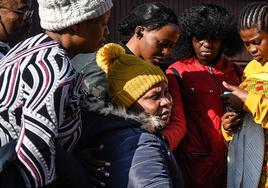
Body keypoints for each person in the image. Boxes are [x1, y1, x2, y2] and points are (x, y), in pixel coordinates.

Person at [0, 0, 113, 187]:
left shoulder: (32, 47)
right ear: (77, 25)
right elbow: (36, 146)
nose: (107, 32)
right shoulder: (53, 66)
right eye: (103, 24)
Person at [72, 2, 186, 151]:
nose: (166, 52)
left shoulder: (157, 71)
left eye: (171, 46)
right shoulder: (105, 65)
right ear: (139, 32)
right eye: (162, 44)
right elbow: (89, 119)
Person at [79, 43, 183, 188]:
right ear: (128, 104)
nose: (166, 101)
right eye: (154, 96)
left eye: (166, 92)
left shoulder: (119, 134)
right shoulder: (140, 143)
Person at [166, 4, 244, 187]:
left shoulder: (236, 72)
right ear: (190, 39)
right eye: (199, 38)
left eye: (213, 38)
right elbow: (176, 121)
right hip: (194, 165)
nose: (206, 44)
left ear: (224, 39)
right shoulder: (177, 72)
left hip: (232, 162)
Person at [220, 2, 268, 187]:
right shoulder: (250, 69)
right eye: (246, 44)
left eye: (256, 42)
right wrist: (230, 125)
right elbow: (250, 119)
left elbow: (252, 103)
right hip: (252, 168)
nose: (251, 50)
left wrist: (247, 100)